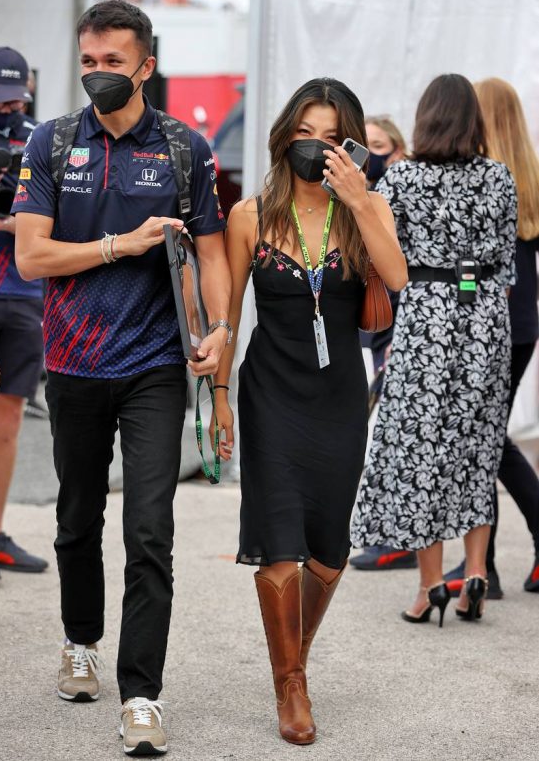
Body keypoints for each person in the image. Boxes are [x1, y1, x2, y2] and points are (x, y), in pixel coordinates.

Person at [14, 0, 231, 756]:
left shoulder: (183, 148)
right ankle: (80, 642)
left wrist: (219, 328)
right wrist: (120, 245)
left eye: (113, 61)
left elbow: (212, 251)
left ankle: (141, 694)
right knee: (77, 519)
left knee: (150, 529)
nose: (98, 73)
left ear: (146, 66)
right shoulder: (52, 141)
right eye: (88, 61)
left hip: (155, 366)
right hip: (72, 362)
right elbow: (31, 257)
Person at [211, 77, 407, 744]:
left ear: (349, 147)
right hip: (270, 391)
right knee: (279, 540)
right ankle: (290, 684)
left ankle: (293, 655)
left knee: (327, 548)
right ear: (283, 137)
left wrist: (359, 197)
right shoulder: (250, 216)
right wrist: (219, 399)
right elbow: (228, 315)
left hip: (339, 396)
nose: (315, 147)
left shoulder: (366, 208)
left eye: (330, 138)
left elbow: (398, 279)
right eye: (304, 134)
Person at [351, 74, 517, 627]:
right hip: (486, 319)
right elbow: (506, 268)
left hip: (426, 318)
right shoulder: (498, 177)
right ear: (473, 120)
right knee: (478, 447)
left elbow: (384, 257)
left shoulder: (403, 178)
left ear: (425, 120)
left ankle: (430, 587)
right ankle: (476, 575)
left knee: (424, 452)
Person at [443, 78, 539, 597]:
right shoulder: (529, 176)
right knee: (490, 439)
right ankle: (485, 565)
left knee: (485, 441)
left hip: (484, 322)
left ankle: (485, 566)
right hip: (521, 325)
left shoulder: (482, 178)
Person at [0, 46, 48, 583]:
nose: (8, 109)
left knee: (7, 419)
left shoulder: (39, 138)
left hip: (24, 292)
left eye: (16, 99)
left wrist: (18, 221)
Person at [352, 115, 416, 572]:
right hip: (372, 329)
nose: (370, 153)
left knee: (391, 433)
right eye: (364, 144)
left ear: (397, 150)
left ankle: (398, 540)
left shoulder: (395, 196)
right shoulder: (358, 197)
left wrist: (404, 336)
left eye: (379, 145)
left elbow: (410, 271)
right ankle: (389, 536)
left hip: (398, 326)